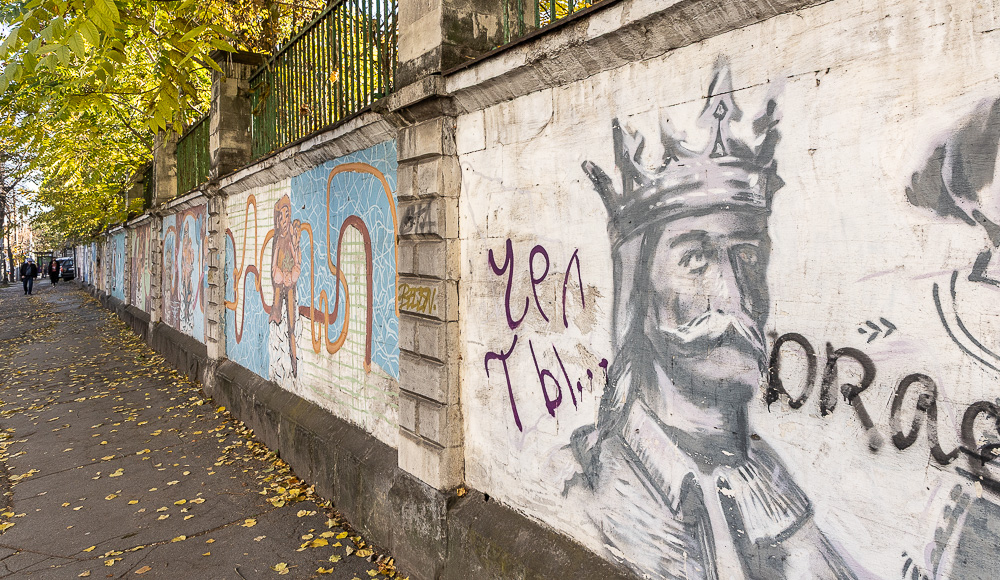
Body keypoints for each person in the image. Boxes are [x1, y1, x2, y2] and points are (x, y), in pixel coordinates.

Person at [567, 64, 857, 579]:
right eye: (695, 258)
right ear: (638, 292)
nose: (732, 296)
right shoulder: (581, 492)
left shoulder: (788, 510)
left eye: (747, 257)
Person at [269, 194, 302, 377]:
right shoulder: (277, 239)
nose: (284, 220)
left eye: (286, 215)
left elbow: (297, 262)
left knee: (291, 325)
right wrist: (278, 275)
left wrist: (291, 275)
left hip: (290, 285)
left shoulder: (290, 238)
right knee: (281, 323)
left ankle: (294, 361)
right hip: (280, 284)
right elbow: (273, 265)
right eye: (281, 216)